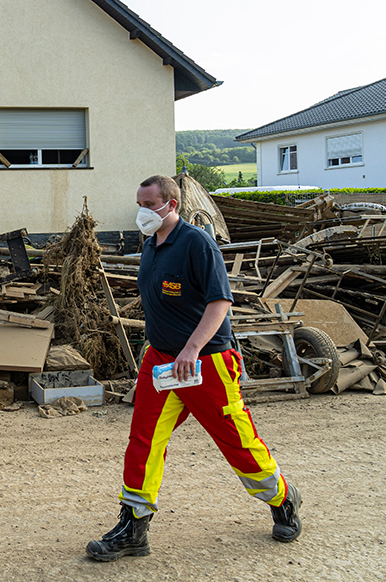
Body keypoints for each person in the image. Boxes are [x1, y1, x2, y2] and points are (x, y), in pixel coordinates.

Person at [87, 174, 302, 562]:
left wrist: (191, 348)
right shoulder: (152, 245)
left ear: (172, 205)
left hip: (205, 362)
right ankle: (134, 527)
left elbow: (220, 302)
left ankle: (282, 498)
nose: (142, 212)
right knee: (144, 440)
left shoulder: (197, 243)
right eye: (139, 203)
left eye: (149, 204)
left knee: (236, 441)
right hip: (162, 361)